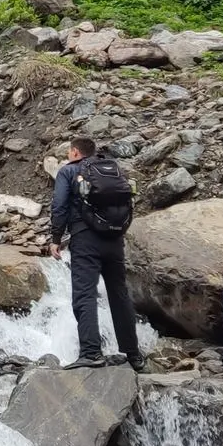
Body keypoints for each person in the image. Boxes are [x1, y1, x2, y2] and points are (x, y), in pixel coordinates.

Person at [50, 136, 144, 371]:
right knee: (119, 294)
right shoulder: (112, 169)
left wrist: (55, 239)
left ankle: (91, 353)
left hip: (85, 239)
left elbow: (59, 206)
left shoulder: (68, 172)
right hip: (114, 239)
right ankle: (133, 354)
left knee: (85, 294)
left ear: (74, 152)